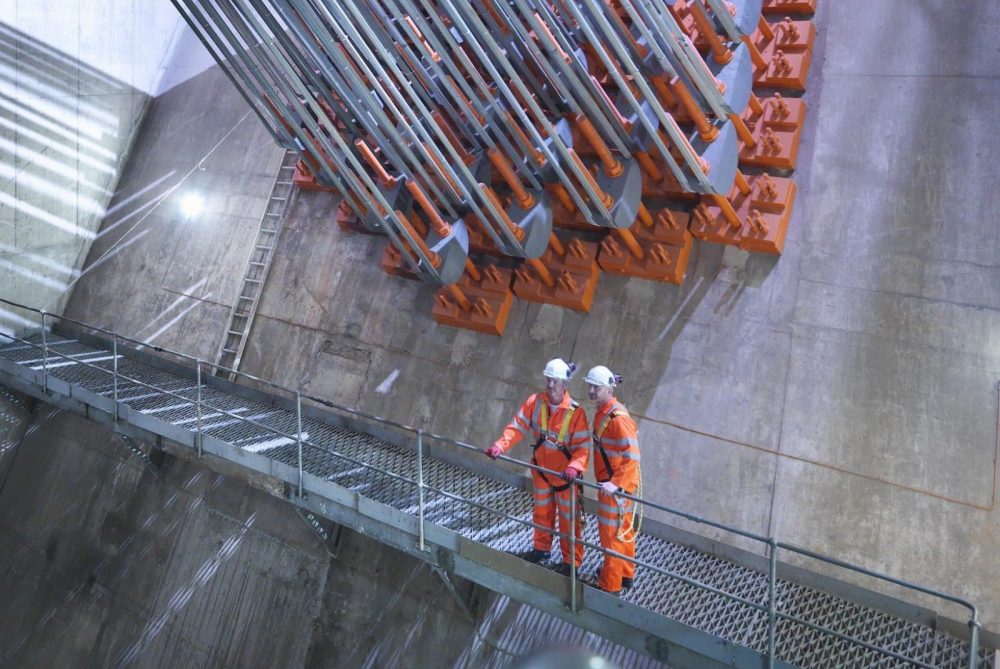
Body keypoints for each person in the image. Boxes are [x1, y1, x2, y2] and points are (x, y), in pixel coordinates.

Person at [485, 358, 589, 574]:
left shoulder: (575, 413)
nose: (550, 385)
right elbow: (518, 426)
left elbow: (583, 447)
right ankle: (541, 550)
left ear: (565, 385)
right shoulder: (536, 402)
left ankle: (572, 563)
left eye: (555, 382)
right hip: (542, 471)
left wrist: (575, 467)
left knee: (569, 521)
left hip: (565, 478)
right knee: (542, 513)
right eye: (548, 380)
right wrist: (500, 446)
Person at [584, 365, 641, 596]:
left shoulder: (616, 418)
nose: (591, 391)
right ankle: (625, 574)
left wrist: (615, 484)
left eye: (596, 387)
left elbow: (633, 455)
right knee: (623, 530)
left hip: (614, 488)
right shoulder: (607, 411)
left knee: (611, 537)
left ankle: (610, 586)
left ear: (608, 388)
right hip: (617, 486)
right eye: (590, 386)